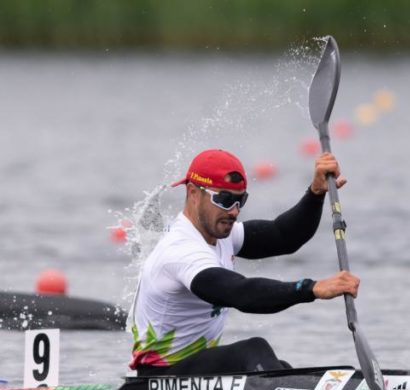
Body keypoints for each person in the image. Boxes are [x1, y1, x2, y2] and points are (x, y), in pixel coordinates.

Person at [129, 148, 359, 376]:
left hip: (192, 370)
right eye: (225, 199)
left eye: (240, 200)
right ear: (193, 193)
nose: (234, 211)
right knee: (253, 351)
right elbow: (239, 292)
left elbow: (283, 236)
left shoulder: (220, 234)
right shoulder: (181, 250)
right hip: (158, 378)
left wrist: (316, 193)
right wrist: (311, 288)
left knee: (280, 367)